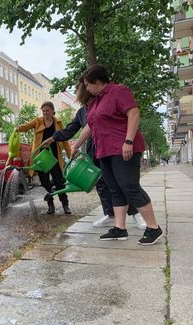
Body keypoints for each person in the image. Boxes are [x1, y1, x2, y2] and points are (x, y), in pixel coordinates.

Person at [72, 64, 162, 245]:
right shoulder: (97, 101)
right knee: (114, 189)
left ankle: (153, 228)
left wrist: (128, 141)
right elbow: (89, 126)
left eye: (88, 85)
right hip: (104, 151)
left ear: (97, 82)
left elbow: (134, 113)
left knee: (130, 186)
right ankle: (120, 229)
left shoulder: (118, 91)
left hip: (123, 149)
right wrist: (76, 145)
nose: (87, 89)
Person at [42, 78, 146, 230]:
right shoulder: (82, 112)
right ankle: (110, 214)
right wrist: (53, 138)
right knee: (103, 184)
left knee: (125, 182)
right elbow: (71, 129)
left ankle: (136, 214)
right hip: (95, 150)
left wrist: (128, 142)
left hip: (113, 147)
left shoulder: (102, 102)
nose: (76, 95)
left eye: (77, 92)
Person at [16, 101, 72, 214]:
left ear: (52, 111)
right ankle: (50, 206)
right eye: (43, 111)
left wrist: (70, 154)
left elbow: (65, 139)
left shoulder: (58, 123)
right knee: (45, 182)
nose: (45, 112)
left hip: (55, 156)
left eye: (47, 110)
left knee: (59, 181)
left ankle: (65, 205)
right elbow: (27, 126)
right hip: (41, 157)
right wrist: (17, 128)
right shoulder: (37, 121)